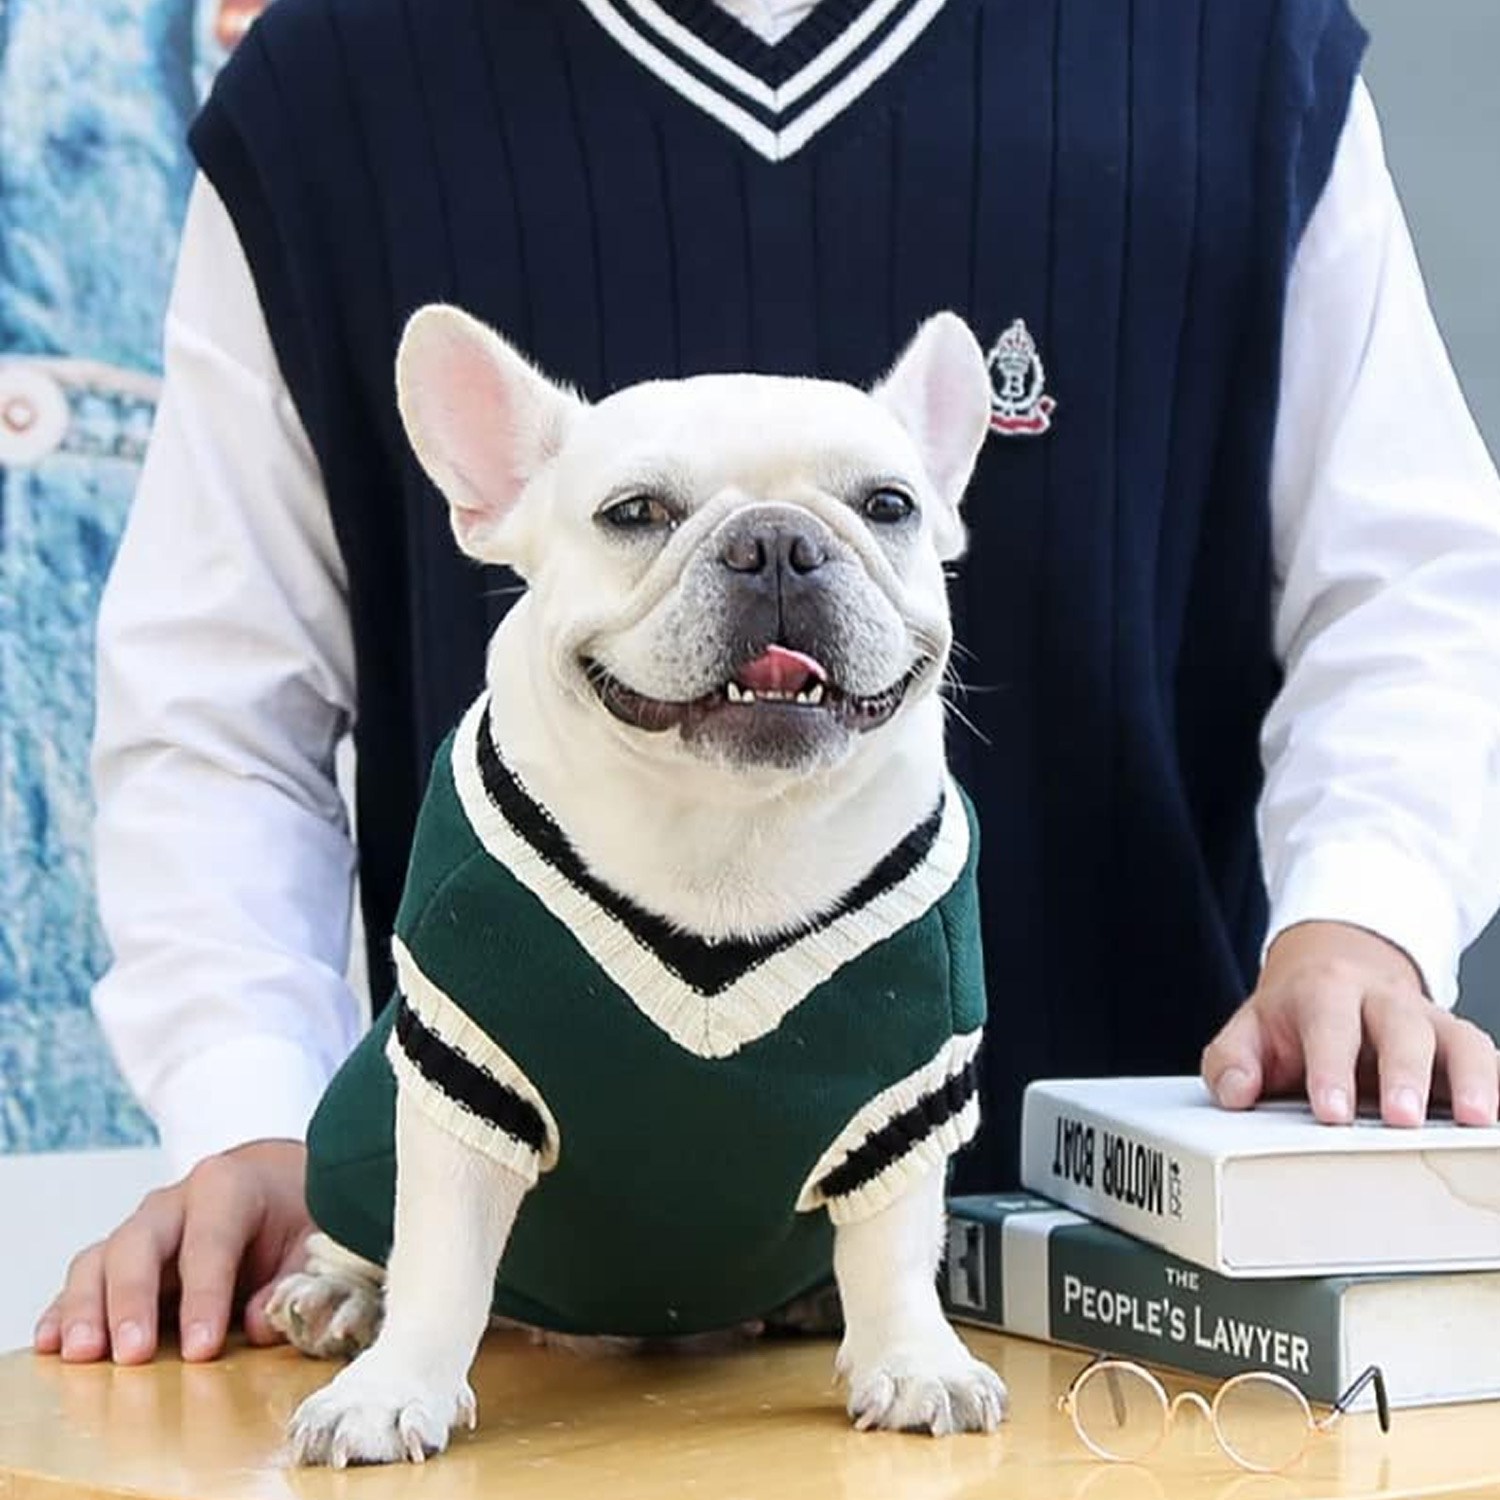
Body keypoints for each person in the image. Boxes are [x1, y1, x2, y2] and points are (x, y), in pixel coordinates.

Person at [35, 0, 1500, 1368]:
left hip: (1151, 1295)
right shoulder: (329, 83)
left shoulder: (1239, 43)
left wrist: (1362, 920)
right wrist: (253, 1113)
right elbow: (219, 706)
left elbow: (1411, 583)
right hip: (537, 1342)